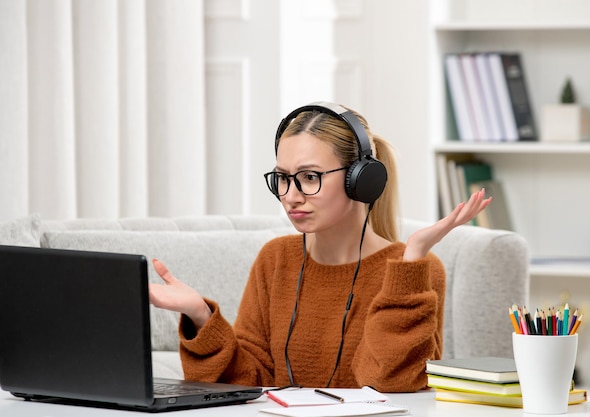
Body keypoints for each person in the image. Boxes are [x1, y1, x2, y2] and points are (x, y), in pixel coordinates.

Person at [149, 102, 491, 392]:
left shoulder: (418, 269)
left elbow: (392, 384)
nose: (291, 196)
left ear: (360, 180)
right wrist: (201, 316)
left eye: (309, 177)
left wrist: (411, 260)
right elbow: (248, 382)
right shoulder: (276, 259)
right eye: (282, 177)